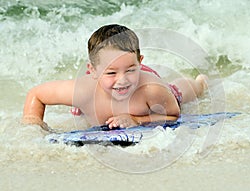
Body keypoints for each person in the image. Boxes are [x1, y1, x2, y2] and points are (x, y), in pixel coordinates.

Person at [22, 24, 208, 130]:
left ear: (139, 61)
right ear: (92, 70)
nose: (122, 80)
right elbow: (36, 94)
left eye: (130, 70)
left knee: (178, 91)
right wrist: (33, 127)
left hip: (149, 83)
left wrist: (138, 120)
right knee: (81, 107)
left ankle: (200, 83)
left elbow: (173, 115)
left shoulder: (151, 89)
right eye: (112, 73)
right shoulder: (81, 90)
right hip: (96, 87)